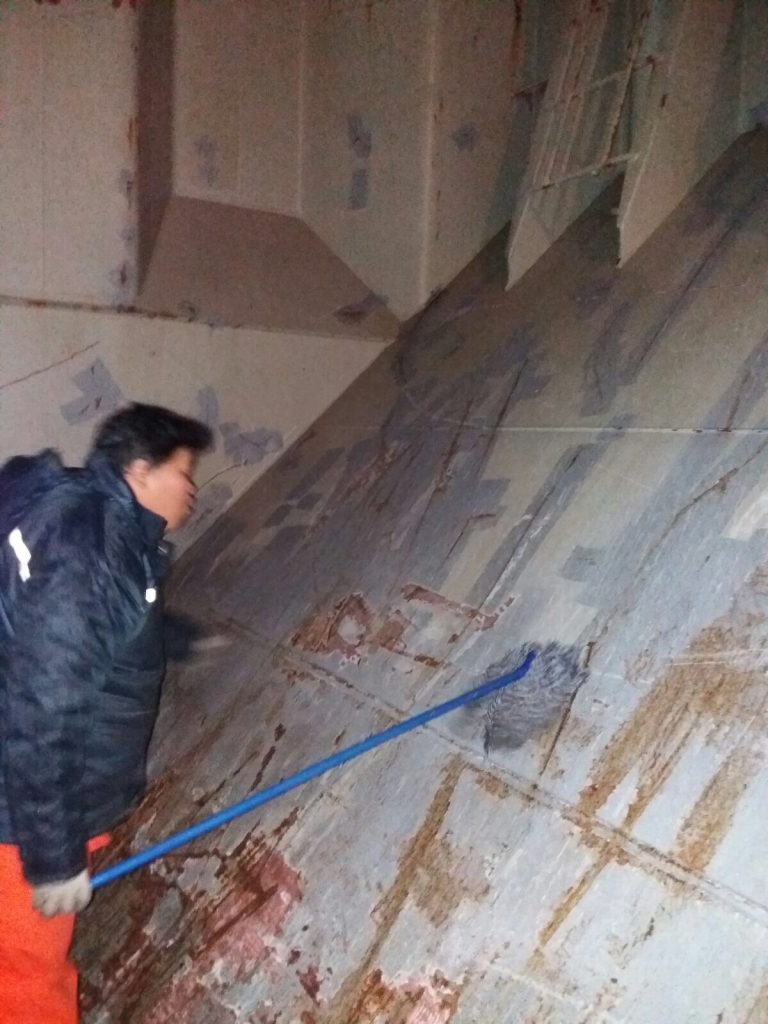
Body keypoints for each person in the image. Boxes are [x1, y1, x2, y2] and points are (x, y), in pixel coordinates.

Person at [0, 402, 212, 1024]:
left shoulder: (86, 521)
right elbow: (43, 718)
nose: (192, 489)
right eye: (183, 472)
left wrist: (169, 636)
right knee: (27, 980)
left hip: (28, 804)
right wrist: (53, 859)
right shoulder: (92, 558)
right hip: (22, 820)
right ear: (139, 470)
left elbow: (72, 629)